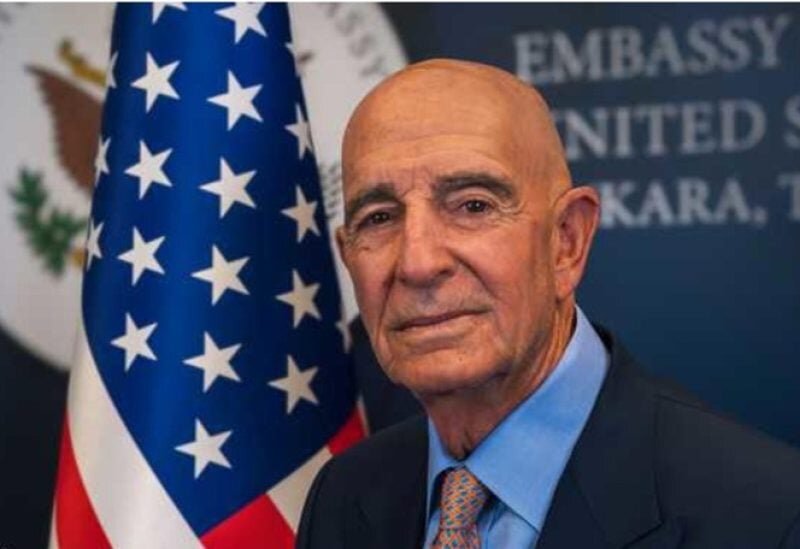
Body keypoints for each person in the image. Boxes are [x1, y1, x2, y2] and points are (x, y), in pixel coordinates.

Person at [296, 59, 800, 548]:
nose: (418, 263)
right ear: (347, 255)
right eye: (379, 218)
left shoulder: (768, 516)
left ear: (567, 241)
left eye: (473, 205)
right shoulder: (343, 497)